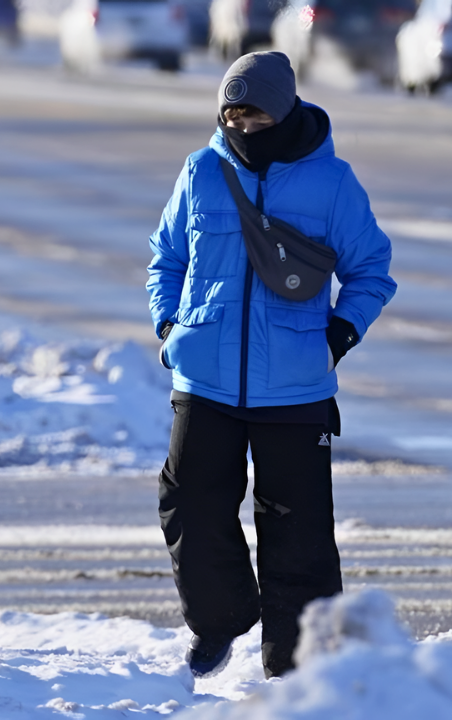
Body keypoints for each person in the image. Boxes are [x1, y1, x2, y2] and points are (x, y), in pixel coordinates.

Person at [146, 52, 397, 679]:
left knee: (299, 537)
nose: (241, 126)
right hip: (203, 378)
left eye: (254, 115)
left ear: (282, 113)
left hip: (295, 386)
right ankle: (221, 618)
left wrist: (337, 336)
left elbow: (371, 270)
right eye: (231, 115)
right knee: (189, 506)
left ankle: (299, 673)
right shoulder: (201, 170)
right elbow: (166, 257)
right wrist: (171, 327)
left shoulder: (332, 182)